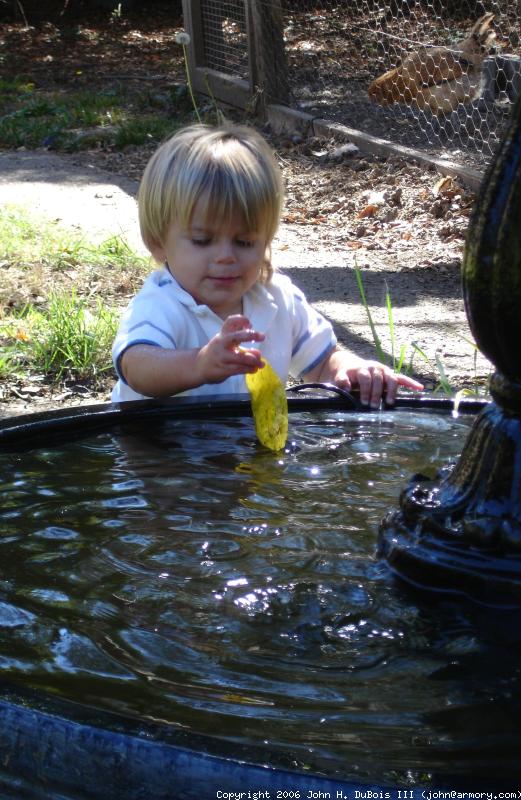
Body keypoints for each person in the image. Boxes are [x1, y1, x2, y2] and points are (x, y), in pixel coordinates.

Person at [111, 123, 423, 407]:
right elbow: (136, 365)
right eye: (203, 240)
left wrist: (350, 369)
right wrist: (199, 364)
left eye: (244, 242)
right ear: (158, 242)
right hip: (157, 456)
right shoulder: (162, 304)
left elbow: (323, 360)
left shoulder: (277, 299)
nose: (226, 256)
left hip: (248, 457)